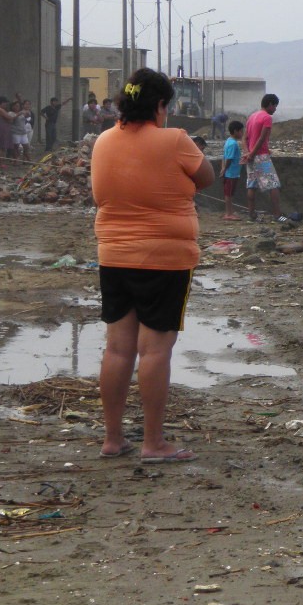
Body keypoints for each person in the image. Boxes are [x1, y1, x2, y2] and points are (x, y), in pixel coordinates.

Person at [90, 68, 214, 463]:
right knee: (155, 349)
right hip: (164, 260)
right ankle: (153, 443)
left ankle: (112, 439)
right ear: (161, 106)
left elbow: (99, 194)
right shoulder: (175, 140)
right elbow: (207, 176)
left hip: (113, 255)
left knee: (117, 348)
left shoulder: (103, 141)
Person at [244, 93, 284, 221]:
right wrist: (253, 154)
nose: (275, 109)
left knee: (252, 185)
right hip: (260, 156)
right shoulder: (267, 118)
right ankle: (277, 214)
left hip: (250, 156)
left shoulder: (252, 116)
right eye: (275, 106)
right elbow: (261, 139)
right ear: (270, 104)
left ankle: (251, 214)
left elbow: (245, 138)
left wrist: (247, 153)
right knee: (273, 185)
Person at [222, 119, 244, 219]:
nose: (242, 133)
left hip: (232, 173)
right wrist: (225, 169)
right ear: (235, 131)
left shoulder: (229, 141)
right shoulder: (233, 144)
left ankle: (230, 212)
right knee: (228, 194)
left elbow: (224, 157)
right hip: (231, 173)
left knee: (230, 194)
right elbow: (229, 159)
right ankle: (228, 213)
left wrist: (223, 168)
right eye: (241, 131)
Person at [0, 96, 15, 167]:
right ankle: (0, 163)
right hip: (1, 131)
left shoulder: (1, 110)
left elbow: (10, 120)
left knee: (3, 147)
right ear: (1, 103)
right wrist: (18, 114)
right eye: (5, 103)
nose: (6, 105)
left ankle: (1, 162)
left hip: (4, 131)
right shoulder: (0, 109)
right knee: (1, 147)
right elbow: (10, 118)